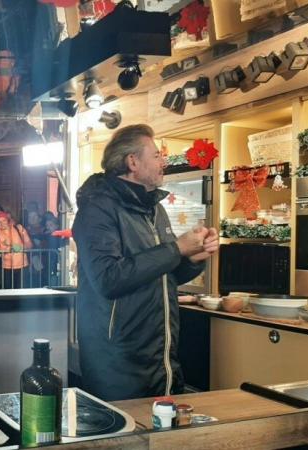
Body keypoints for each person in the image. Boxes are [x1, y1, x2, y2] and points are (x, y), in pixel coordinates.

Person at [72, 124, 218, 401]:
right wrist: (177, 248)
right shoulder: (98, 209)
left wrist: (194, 259)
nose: (163, 162)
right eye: (156, 155)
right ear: (133, 162)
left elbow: (163, 274)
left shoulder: (155, 209)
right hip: (119, 363)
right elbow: (108, 278)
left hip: (161, 357)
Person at [0, 211, 32, 289]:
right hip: (7, 267)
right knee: (8, 292)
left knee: (22, 291)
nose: (1, 223)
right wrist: (8, 249)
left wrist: (21, 248)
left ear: (7, 220)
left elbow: (29, 245)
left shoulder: (18, 228)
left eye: (3, 220)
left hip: (22, 265)